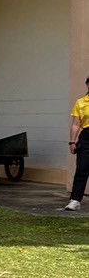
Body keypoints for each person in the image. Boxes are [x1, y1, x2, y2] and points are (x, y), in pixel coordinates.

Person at [65, 76, 89, 211]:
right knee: (82, 169)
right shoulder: (81, 103)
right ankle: (75, 200)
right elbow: (76, 124)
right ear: (87, 85)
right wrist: (72, 142)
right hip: (86, 138)